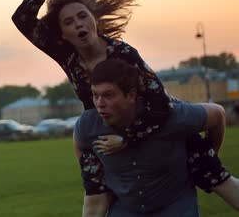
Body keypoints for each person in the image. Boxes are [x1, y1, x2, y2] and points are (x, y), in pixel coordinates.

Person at [12, 0, 238, 207]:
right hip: (104, 125)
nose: (78, 24)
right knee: (94, 182)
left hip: (158, 119)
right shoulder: (65, 53)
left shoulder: (124, 53)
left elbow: (159, 103)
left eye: (82, 16)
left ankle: (196, 169)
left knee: (212, 172)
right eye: (69, 22)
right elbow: (22, 18)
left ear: (94, 20)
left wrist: (129, 139)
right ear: (62, 33)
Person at [75, 59, 238, 216]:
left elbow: (217, 114)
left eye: (108, 95)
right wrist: (93, 174)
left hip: (175, 207)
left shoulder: (169, 117)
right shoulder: (88, 125)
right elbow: (79, 143)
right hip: (126, 210)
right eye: (95, 95)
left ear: (131, 95)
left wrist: (209, 157)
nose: (100, 103)